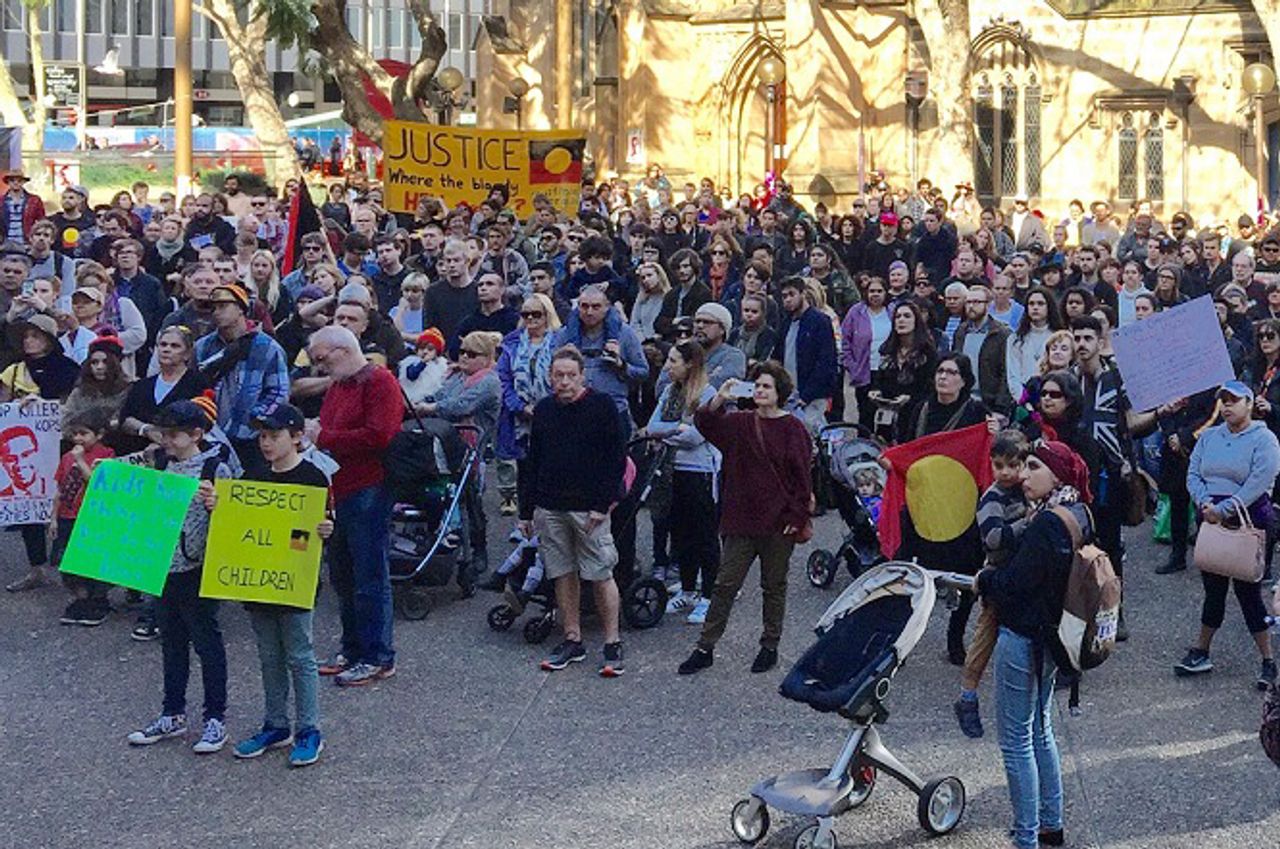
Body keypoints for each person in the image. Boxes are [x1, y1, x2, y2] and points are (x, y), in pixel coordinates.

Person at [976, 439, 1092, 849]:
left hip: (1025, 636)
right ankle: (1050, 824)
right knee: (1041, 729)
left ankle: (1026, 837)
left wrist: (985, 580)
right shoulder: (1079, 511)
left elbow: (1014, 585)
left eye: (1033, 467)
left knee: (1015, 742)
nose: (1023, 475)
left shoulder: (1046, 524)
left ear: (1057, 475)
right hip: (1053, 640)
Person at [678, 362, 812, 675]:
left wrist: (797, 515)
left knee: (773, 585)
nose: (760, 391)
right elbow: (705, 423)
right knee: (724, 585)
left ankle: (770, 645)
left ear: (779, 392)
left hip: (778, 522)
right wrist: (720, 397)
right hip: (741, 519)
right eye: (757, 385)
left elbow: (802, 477)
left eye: (767, 386)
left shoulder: (793, 428)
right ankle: (705, 647)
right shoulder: (740, 422)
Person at [126, 396, 235, 755]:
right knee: (172, 643)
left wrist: (217, 504)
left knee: (206, 642)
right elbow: (127, 481)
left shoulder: (215, 468)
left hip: (197, 568)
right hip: (162, 565)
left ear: (196, 434)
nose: (167, 441)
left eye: (174, 435)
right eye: (164, 434)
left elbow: (237, 517)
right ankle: (172, 713)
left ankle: (215, 718)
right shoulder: (159, 462)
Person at [228, 404, 332, 768]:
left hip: (293, 581)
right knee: (269, 655)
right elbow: (240, 523)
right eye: (262, 436)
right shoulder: (253, 475)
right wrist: (217, 505)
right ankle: (276, 724)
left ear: (297, 437)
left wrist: (324, 530)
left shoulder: (312, 478)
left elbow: (311, 529)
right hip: (259, 581)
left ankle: (309, 729)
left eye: (274, 436)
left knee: (300, 655)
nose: (266, 443)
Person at [521, 346, 627, 678]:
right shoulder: (544, 410)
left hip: (589, 509)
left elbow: (616, 458)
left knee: (600, 573)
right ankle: (572, 638)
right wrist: (526, 511)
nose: (564, 382)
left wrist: (602, 504)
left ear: (582, 377)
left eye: (570, 375)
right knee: (562, 573)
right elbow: (532, 461)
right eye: (559, 376)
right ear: (550, 378)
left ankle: (612, 642)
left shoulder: (602, 406)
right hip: (550, 505)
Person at [309, 326, 404, 687]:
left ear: (343, 351)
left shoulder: (380, 382)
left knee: (369, 575)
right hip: (339, 486)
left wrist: (325, 437)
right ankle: (352, 648)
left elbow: (380, 435)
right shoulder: (340, 385)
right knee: (343, 574)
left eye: (322, 358)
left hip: (369, 487)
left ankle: (377, 655)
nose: (319, 366)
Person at [1174, 380, 1280, 689]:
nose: (1228, 405)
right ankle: (1201, 650)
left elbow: (1259, 481)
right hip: (1211, 520)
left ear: (1249, 404)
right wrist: (1204, 502)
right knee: (1213, 589)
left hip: (1250, 522)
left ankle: (1268, 661)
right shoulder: (1209, 437)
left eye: (1235, 400)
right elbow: (1193, 473)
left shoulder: (1265, 439)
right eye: (1225, 400)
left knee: (1249, 592)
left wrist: (1226, 508)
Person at [954, 429, 1030, 739]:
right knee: (985, 637)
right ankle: (967, 697)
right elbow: (994, 537)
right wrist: (1027, 523)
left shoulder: (1026, 490)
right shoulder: (992, 498)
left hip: (1023, 574)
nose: (1006, 472)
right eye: (999, 465)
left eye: (1013, 465)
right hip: (999, 574)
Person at [646, 340, 720, 625]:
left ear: (690, 365)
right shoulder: (669, 391)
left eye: (674, 361)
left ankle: (709, 596)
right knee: (681, 534)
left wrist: (668, 434)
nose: (668, 366)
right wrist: (676, 428)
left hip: (699, 471)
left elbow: (695, 437)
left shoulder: (707, 394)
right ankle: (687, 590)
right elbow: (652, 427)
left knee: (704, 535)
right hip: (670, 470)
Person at [194, 283, 289, 474]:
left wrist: (255, 419)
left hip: (251, 439)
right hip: (209, 437)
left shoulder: (267, 347)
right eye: (213, 308)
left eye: (223, 306)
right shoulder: (203, 346)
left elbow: (279, 392)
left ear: (240, 309)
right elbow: (193, 386)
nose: (216, 312)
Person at [495, 295, 560, 516]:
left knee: (554, 472)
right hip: (521, 419)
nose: (530, 318)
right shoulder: (511, 344)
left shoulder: (560, 342)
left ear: (547, 315)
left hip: (554, 415)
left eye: (536, 314)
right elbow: (503, 379)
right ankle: (526, 521)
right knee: (525, 473)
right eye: (526, 314)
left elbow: (566, 376)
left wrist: (547, 408)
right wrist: (519, 406)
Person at [52, 410, 115, 627]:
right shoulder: (66, 457)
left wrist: (80, 461)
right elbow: (59, 489)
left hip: (92, 518)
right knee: (68, 562)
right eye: (74, 434)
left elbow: (98, 485)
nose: (77, 438)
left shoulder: (106, 456)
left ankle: (98, 600)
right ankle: (80, 598)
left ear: (99, 434)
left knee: (92, 561)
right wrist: (53, 518)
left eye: (83, 433)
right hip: (67, 516)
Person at [773, 276, 838, 434]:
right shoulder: (786, 323)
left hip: (812, 397)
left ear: (803, 294)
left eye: (792, 294)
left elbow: (826, 362)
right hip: (788, 395)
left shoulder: (820, 321)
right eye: (784, 296)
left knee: (809, 434)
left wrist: (807, 395)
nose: (788, 300)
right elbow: (778, 357)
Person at [952, 284, 1014, 416]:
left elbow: (1007, 372)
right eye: (968, 302)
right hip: (962, 401)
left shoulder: (1002, 334)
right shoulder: (960, 332)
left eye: (976, 302)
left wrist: (1001, 406)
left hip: (990, 403)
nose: (971, 306)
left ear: (988, 304)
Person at [60, 333, 132, 437]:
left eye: (105, 362)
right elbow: (65, 422)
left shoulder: (128, 390)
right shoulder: (80, 391)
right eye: (94, 362)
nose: (99, 367)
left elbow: (124, 423)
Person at [1005, 287, 1063, 401]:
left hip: (1053, 397)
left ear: (1049, 307)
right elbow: (1012, 375)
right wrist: (1024, 400)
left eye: (1040, 304)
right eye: (1031, 304)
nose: (1035, 307)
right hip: (1023, 399)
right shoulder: (1015, 339)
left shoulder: (1059, 336)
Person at [421, 239, 479, 344]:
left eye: (456, 260)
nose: (452, 265)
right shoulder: (433, 292)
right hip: (441, 348)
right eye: (448, 261)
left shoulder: (478, 291)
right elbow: (429, 328)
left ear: (467, 261)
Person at [452, 272, 519, 359]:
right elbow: (454, 351)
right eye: (480, 285)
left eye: (489, 284)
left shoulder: (514, 319)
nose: (483, 288)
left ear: (502, 289)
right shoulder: (469, 322)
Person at [692, 301, 746, 389]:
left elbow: (721, 386)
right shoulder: (684, 352)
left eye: (707, 322)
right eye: (697, 321)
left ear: (722, 329)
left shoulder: (733, 356)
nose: (700, 326)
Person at [399, 328, 449, 415]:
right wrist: (423, 363)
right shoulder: (411, 362)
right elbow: (411, 375)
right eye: (422, 348)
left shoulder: (442, 365)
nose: (425, 352)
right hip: (413, 398)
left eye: (430, 349)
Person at [0, 170, 45, 246]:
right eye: (12, 180)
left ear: (23, 182)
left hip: (27, 243)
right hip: (4, 243)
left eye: (19, 180)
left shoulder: (34, 200)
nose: (16, 183)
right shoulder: (1, 201)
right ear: (8, 182)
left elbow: (42, 222)